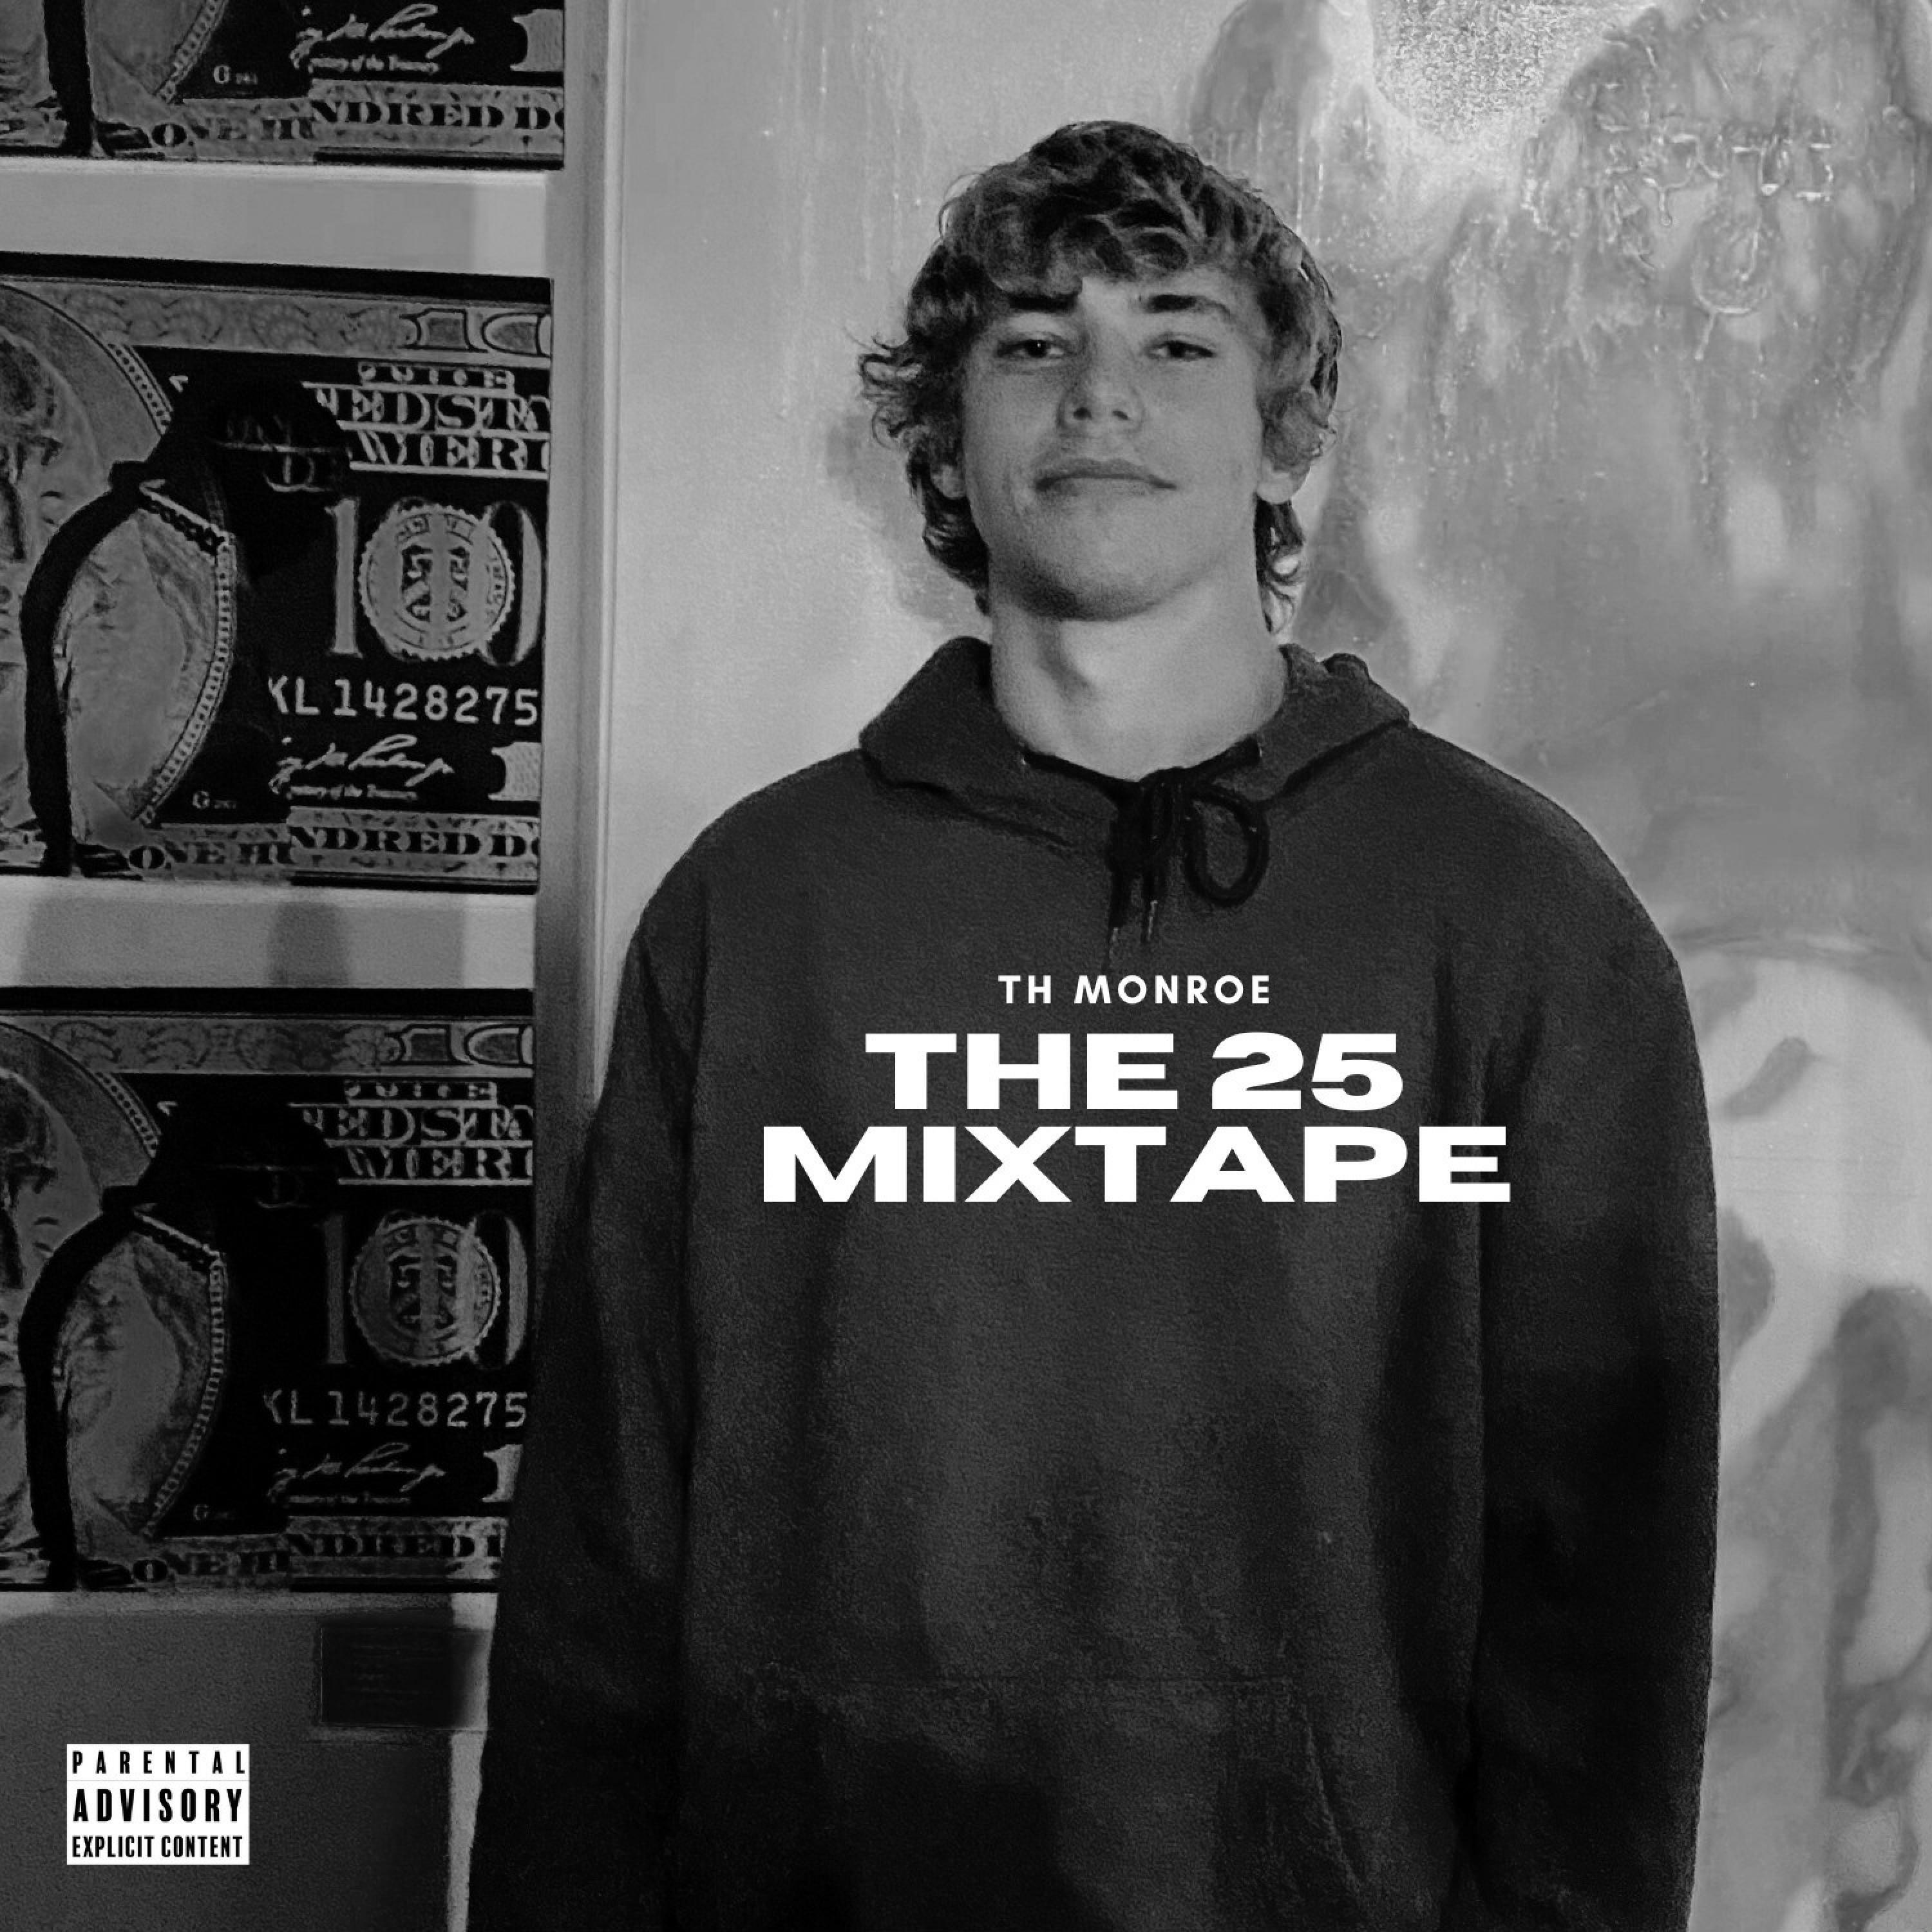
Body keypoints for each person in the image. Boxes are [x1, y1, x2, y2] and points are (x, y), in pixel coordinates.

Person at [470, 120, 1719, 1930]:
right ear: (945, 441)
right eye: (1035, 342)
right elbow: (606, 1536)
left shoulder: (1520, 918)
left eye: (1177, 341)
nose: (1099, 396)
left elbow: (1606, 1582)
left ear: (1286, 436)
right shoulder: (760, 911)